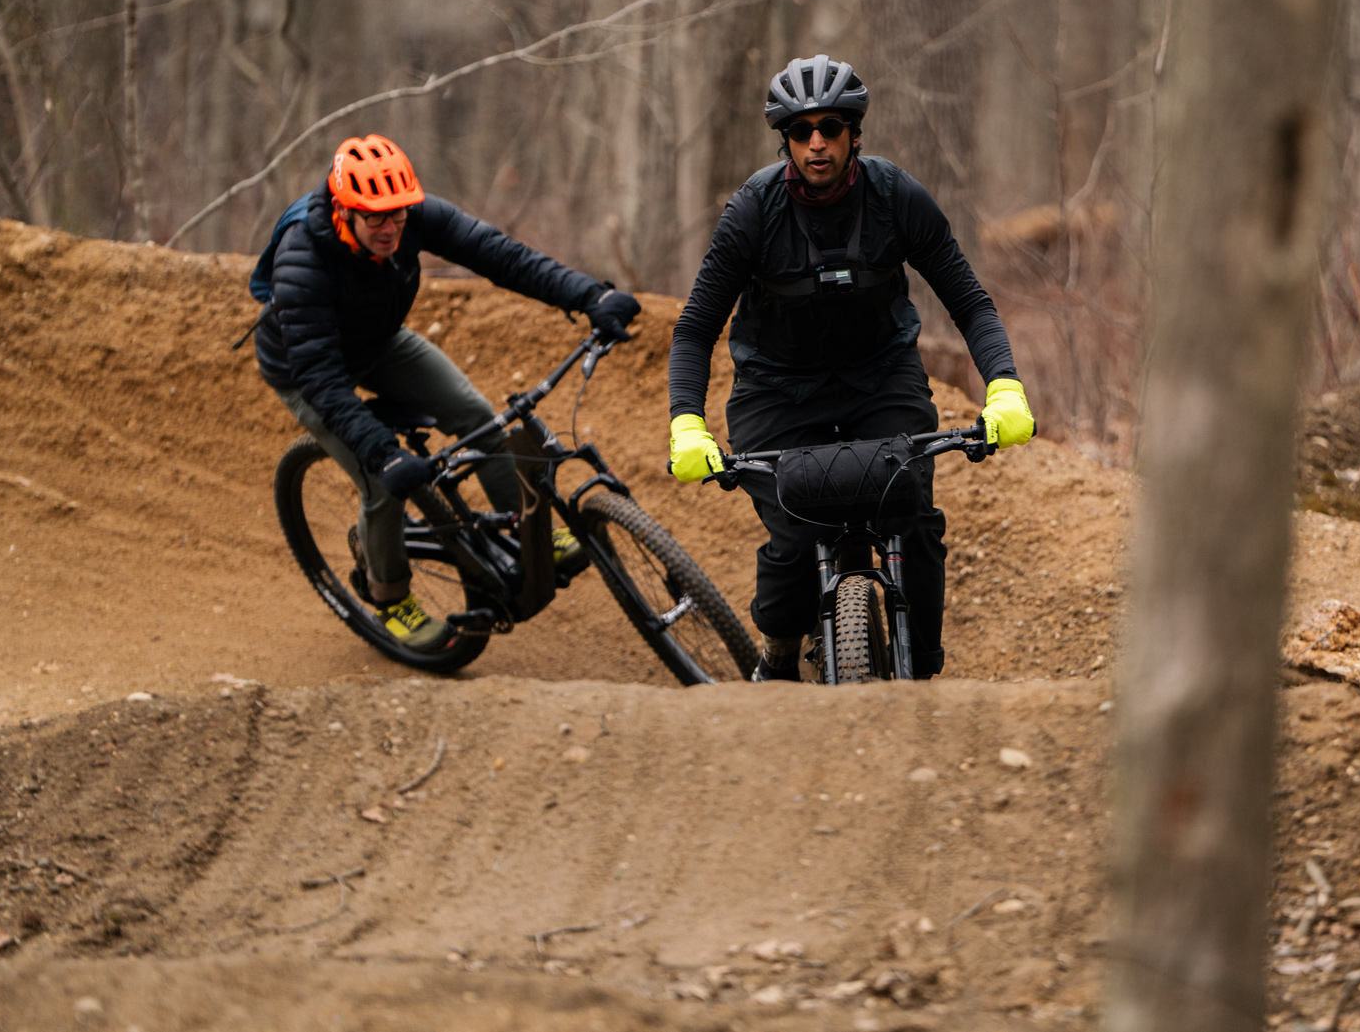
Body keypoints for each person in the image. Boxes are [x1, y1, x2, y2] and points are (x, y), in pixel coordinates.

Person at [665, 56, 1035, 681]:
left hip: (880, 378)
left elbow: (970, 300)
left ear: (855, 133)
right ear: (783, 138)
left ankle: (922, 676)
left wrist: (1004, 388)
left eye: (831, 127)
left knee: (911, 515)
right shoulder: (753, 212)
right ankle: (781, 649)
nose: (817, 142)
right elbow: (696, 327)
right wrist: (686, 424)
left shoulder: (896, 197)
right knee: (791, 535)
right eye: (801, 129)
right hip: (776, 391)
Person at [253, 134, 639, 650]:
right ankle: (389, 598)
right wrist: (384, 454)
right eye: (375, 219)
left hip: (377, 339)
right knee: (382, 481)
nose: (390, 228)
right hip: (308, 370)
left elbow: (500, 255)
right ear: (344, 211)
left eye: (398, 215)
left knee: (473, 412)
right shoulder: (303, 259)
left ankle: (533, 536)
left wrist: (590, 294)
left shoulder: (412, 214)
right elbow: (320, 377)